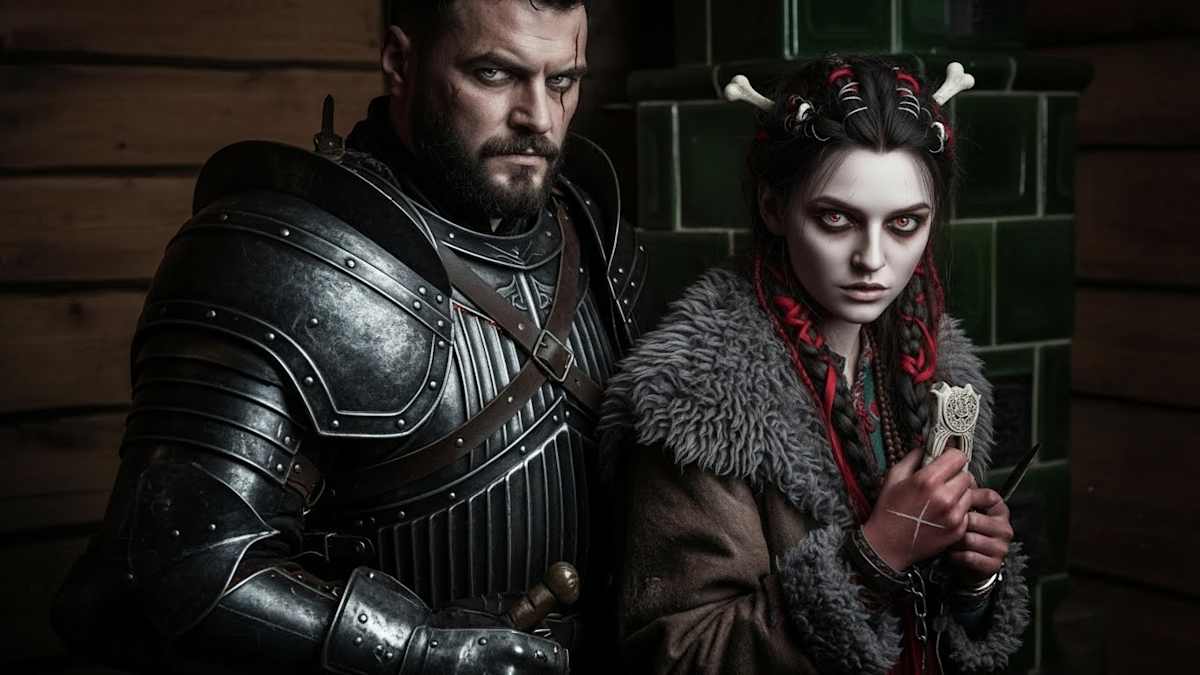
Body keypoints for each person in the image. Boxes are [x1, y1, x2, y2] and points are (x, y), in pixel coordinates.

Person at [52, 1, 646, 673]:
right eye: (494, 73)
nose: (537, 117)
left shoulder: (597, 234)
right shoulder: (281, 254)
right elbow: (177, 563)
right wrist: (415, 649)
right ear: (400, 62)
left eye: (562, 80)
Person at [600, 56, 1029, 674]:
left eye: (905, 223)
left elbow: (937, 630)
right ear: (774, 207)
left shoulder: (939, 371)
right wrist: (874, 557)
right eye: (836, 218)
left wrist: (975, 580)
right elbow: (680, 656)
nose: (872, 259)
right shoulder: (699, 399)